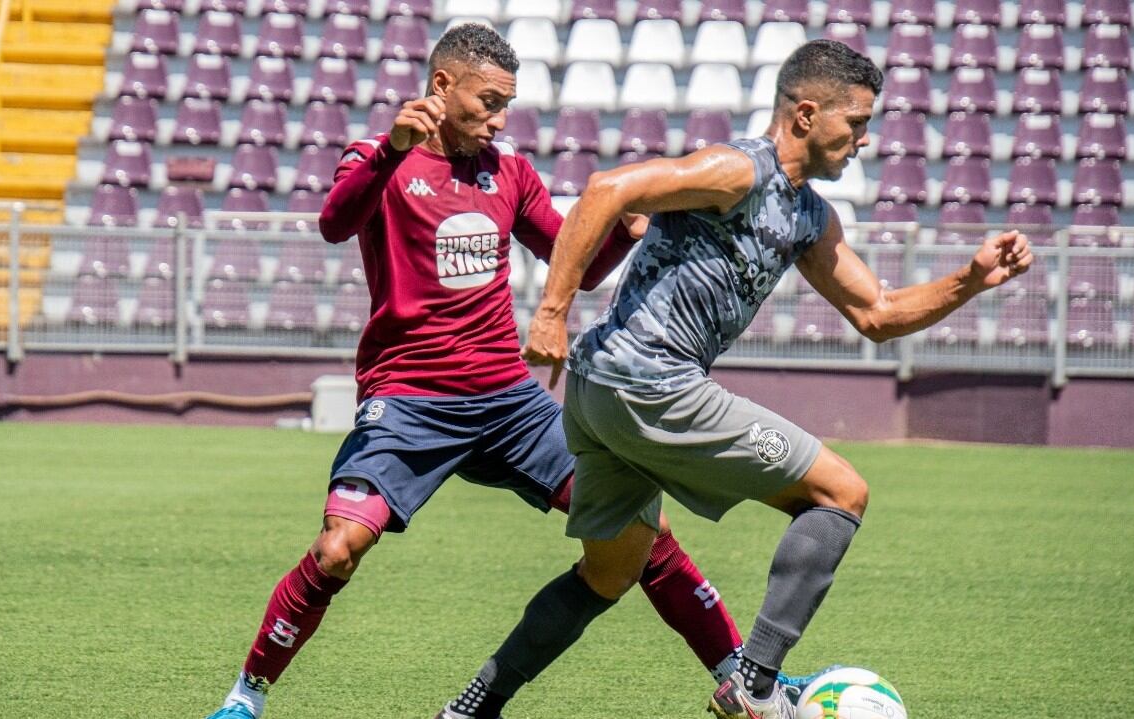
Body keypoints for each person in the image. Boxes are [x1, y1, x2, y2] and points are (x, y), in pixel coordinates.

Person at [436, 39, 1034, 719]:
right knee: (841, 492)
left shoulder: (809, 215)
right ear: (806, 115)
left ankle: (472, 707)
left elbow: (877, 312)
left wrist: (970, 278)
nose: (863, 141)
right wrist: (549, 310)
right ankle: (752, 683)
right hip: (647, 379)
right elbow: (608, 189)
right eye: (856, 123)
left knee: (609, 571)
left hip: (599, 389)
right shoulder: (735, 171)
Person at [203, 24, 774, 719]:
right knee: (336, 549)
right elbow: (333, 222)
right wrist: (392, 149)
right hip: (408, 401)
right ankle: (246, 696)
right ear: (442, 87)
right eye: (488, 100)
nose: (499, 118)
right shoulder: (376, 158)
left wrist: (619, 237)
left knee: (640, 531)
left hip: (510, 402)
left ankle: (740, 678)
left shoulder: (509, 173)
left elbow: (575, 264)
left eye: (507, 103)